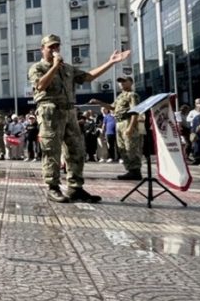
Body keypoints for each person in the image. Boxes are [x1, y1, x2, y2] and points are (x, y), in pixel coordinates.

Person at [28, 34, 129, 203]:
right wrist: (54, 66)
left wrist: (111, 62)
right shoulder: (37, 67)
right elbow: (40, 85)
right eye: (50, 47)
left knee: (77, 150)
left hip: (69, 112)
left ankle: (76, 187)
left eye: (56, 46)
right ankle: (53, 187)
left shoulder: (67, 68)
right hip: (50, 113)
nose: (54, 50)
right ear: (42, 49)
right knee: (51, 150)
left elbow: (88, 77)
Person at [92, 76, 142, 179]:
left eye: (124, 81)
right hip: (119, 123)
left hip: (127, 122)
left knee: (130, 147)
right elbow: (112, 107)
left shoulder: (132, 95)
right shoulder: (120, 96)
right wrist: (99, 102)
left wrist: (131, 127)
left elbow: (135, 112)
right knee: (122, 148)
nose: (121, 83)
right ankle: (129, 170)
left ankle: (135, 171)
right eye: (120, 82)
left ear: (131, 82)